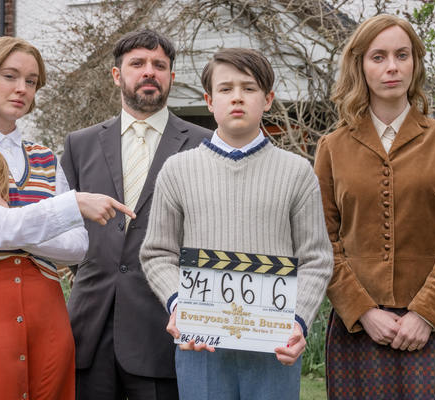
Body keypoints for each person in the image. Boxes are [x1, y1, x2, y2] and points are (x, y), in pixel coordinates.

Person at [0, 36, 134, 400]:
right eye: (10, 76)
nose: (22, 88)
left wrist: (14, 218)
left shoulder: (45, 159)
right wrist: (71, 206)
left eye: (32, 81)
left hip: (47, 318)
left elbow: (76, 248)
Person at [140, 48, 333, 400]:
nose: (238, 97)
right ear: (209, 100)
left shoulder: (297, 172)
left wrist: (299, 321)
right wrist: (179, 304)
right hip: (202, 348)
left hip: (274, 346)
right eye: (226, 89)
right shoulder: (177, 170)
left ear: (268, 99)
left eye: (249, 88)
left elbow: (316, 258)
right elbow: (157, 253)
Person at [314, 14, 435, 399]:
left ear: (415, 63)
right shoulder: (332, 148)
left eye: (402, 55)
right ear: (360, 65)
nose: (392, 67)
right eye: (378, 57)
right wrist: (362, 311)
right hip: (358, 329)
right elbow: (321, 242)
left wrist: (425, 313)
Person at [61, 29, 211, 399]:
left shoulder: (204, 145)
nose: (150, 72)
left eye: (160, 65)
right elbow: (63, 226)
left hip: (162, 329)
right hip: (90, 328)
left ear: (171, 78)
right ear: (117, 75)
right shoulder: (79, 145)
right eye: (138, 64)